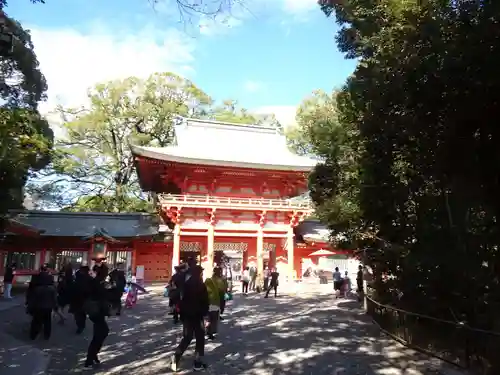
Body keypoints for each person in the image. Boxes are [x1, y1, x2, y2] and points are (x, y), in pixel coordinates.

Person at [171, 265, 209, 372]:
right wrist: (206, 316)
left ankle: (176, 356)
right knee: (200, 337)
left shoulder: (185, 284)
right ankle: (197, 362)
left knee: (187, 337)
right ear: (198, 273)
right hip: (198, 315)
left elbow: (177, 297)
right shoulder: (201, 285)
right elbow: (205, 302)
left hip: (186, 315)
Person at [84, 262, 110, 368]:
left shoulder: (97, 282)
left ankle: (92, 356)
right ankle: (90, 358)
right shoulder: (98, 283)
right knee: (102, 333)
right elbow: (102, 296)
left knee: (99, 333)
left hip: (95, 311)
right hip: (97, 311)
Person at [26, 264, 57, 340]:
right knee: (47, 321)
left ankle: (33, 335)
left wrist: (29, 305)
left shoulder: (37, 284)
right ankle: (47, 335)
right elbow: (54, 298)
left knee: (36, 321)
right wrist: (55, 306)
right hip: (48, 306)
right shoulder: (51, 286)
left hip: (38, 306)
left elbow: (32, 295)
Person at [204, 267, 225, 340]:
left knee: (208, 319)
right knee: (213, 319)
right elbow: (222, 289)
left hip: (208, 304)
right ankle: (210, 333)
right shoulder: (219, 280)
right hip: (215, 304)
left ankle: (208, 330)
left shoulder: (209, 280)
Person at [71, 265, 91, 334]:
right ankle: (82, 325)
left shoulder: (77, 277)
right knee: (82, 313)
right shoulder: (89, 278)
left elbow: (73, 287)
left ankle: (80, 326)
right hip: (85, 298)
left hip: (77, 298)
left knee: (77, 313)